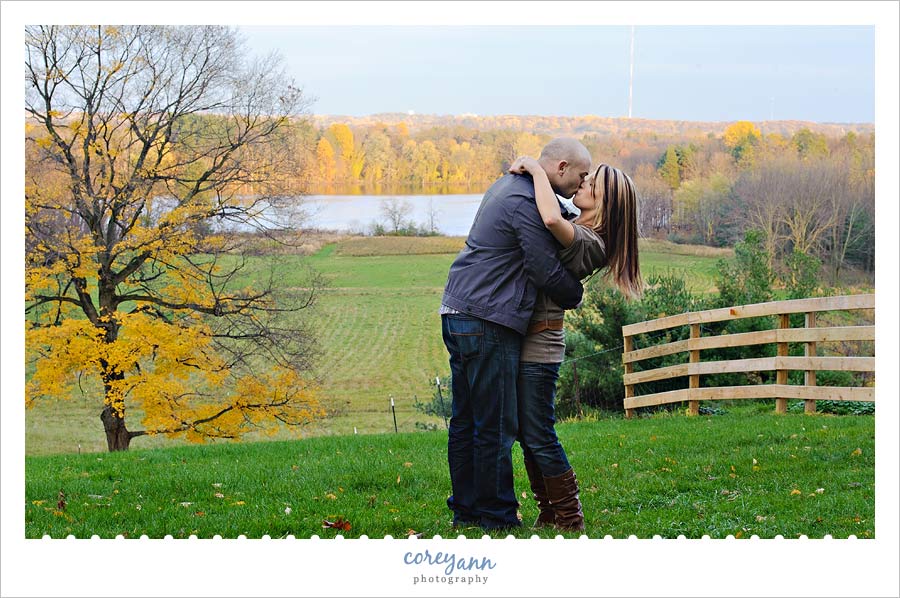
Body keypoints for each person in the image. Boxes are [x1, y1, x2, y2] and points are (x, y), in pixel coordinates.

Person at [440, 138, 592, 530]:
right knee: (495, 424)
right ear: (560, 168)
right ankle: (497, 516)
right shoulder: (525, 201)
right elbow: (544, 268)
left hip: (458, 310)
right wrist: (576, 293)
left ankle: (467, 511)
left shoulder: (510, 186)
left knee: (466, 419)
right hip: (486, 318)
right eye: (581, 174)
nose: (582, 183)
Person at [507, 156, 643, 531]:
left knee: (538, 430)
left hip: (541, 345)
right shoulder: (581, 226)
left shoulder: (590, 240)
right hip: (533, 339)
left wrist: (537, 170)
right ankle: (549, 511)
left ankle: (569, 513)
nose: (580, 185)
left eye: (589, 185)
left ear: (603, 202)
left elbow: (551, 219)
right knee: (528, 430)